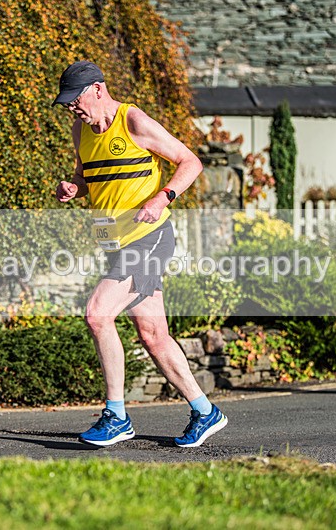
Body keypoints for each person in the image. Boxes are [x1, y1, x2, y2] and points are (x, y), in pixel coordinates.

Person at [52, 60, 227, 448]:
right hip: (116, 245)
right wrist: (74, 188)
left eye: (76, 99)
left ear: (98, 89)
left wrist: (162, 197)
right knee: (153, 335)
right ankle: (205, 411)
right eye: (67, 102)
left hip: (148, 239)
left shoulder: (133, 121)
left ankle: (116, 416)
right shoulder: (81, 129)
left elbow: (190, 162)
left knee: (97, 314)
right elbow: (87, 176)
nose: (72, 108)